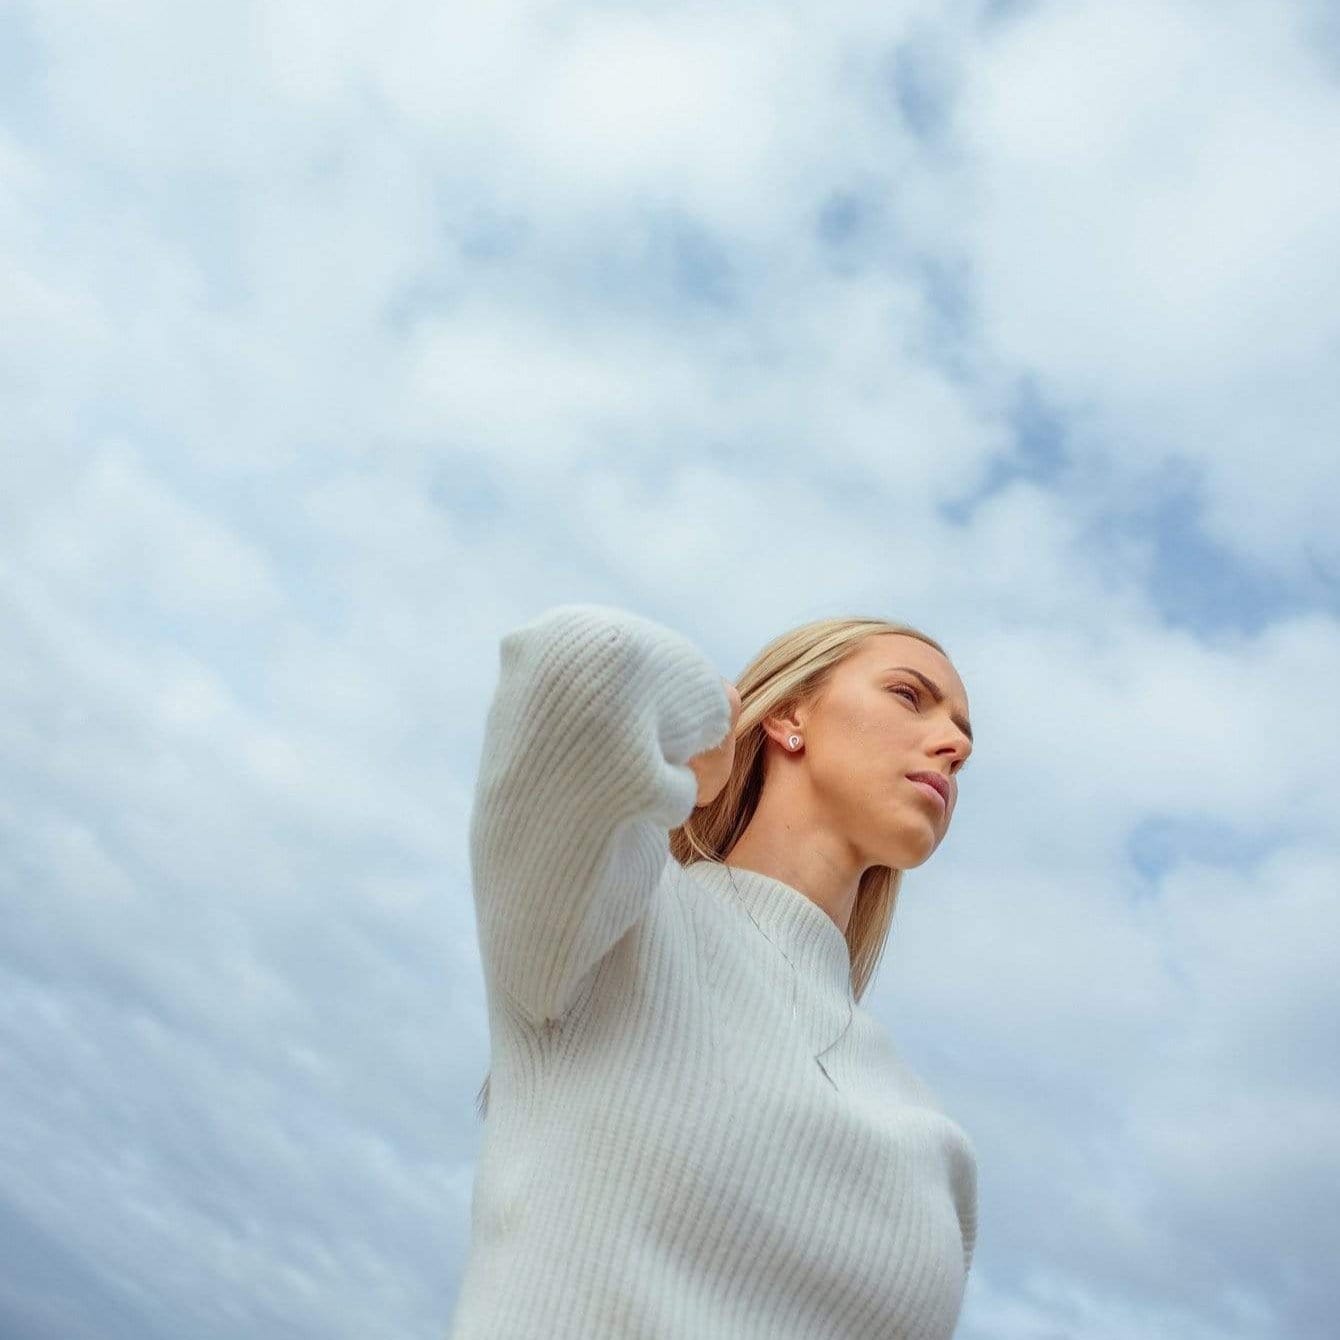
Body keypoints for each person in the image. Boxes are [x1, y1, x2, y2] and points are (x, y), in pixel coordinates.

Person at [448, 602, 978, 1338]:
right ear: (789, 717)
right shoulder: (616, 920)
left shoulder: (939, 1144)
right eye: (909, 696)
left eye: (963, 736)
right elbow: (580, 658)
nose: (953, 744)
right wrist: (705, 727)